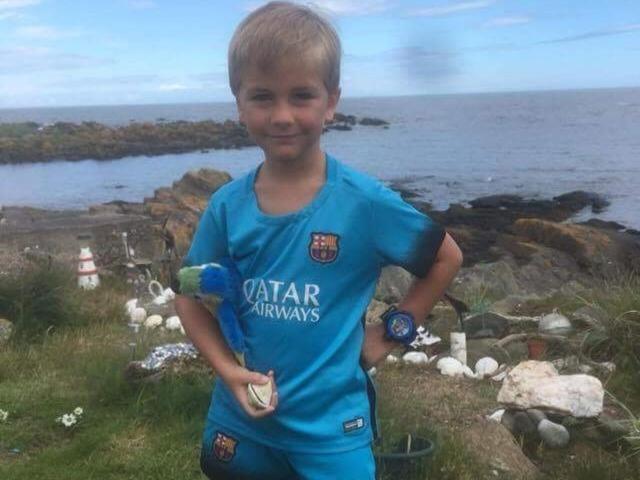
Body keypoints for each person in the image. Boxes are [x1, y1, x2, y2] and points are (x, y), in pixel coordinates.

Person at [174, 2, 463, 479]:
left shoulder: (363, 203)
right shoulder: (227, 205)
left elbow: (446, 257)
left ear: (331, 101)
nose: (282, 115)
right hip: (240, 421)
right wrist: (228, 370)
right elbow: (187, 298)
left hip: (332, 429)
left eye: (302, 95)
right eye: (262, 97)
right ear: (238, 102)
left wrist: (393, 331)